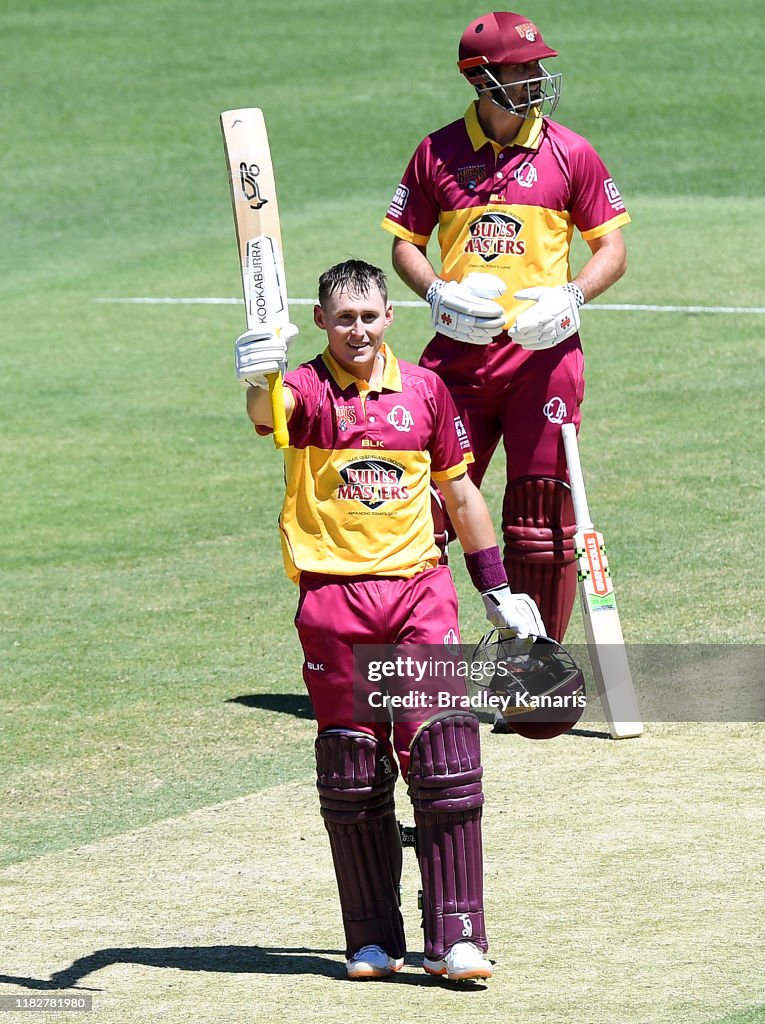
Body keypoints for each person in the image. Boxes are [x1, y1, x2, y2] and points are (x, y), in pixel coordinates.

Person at [233, 259, 545, 983]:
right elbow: (262, 416)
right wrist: (257, 375)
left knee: (443, 756)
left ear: (388, 317)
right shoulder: (304, 388)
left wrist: (495, 587)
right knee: (351, 769)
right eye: (344, 318)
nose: (358, 330)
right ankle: (371, 939)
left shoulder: (426, 390)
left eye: (369, 316)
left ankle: (457, 938)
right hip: (332, 599)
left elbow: (460, 493)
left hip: (416, 590)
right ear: (321, 322)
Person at [381, 10, 630, 644]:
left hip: (543, 359)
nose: (538, 77)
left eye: (537, 65)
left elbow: (612, 250)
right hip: (458, 361)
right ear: (482, 78)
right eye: (523, 68)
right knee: (426, 509)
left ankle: (533, 671)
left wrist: (573, 295)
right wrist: (438, 293)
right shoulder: (436, 151)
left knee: (541, 520)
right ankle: (418, 663)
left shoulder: (570, 150)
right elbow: (405, 243)